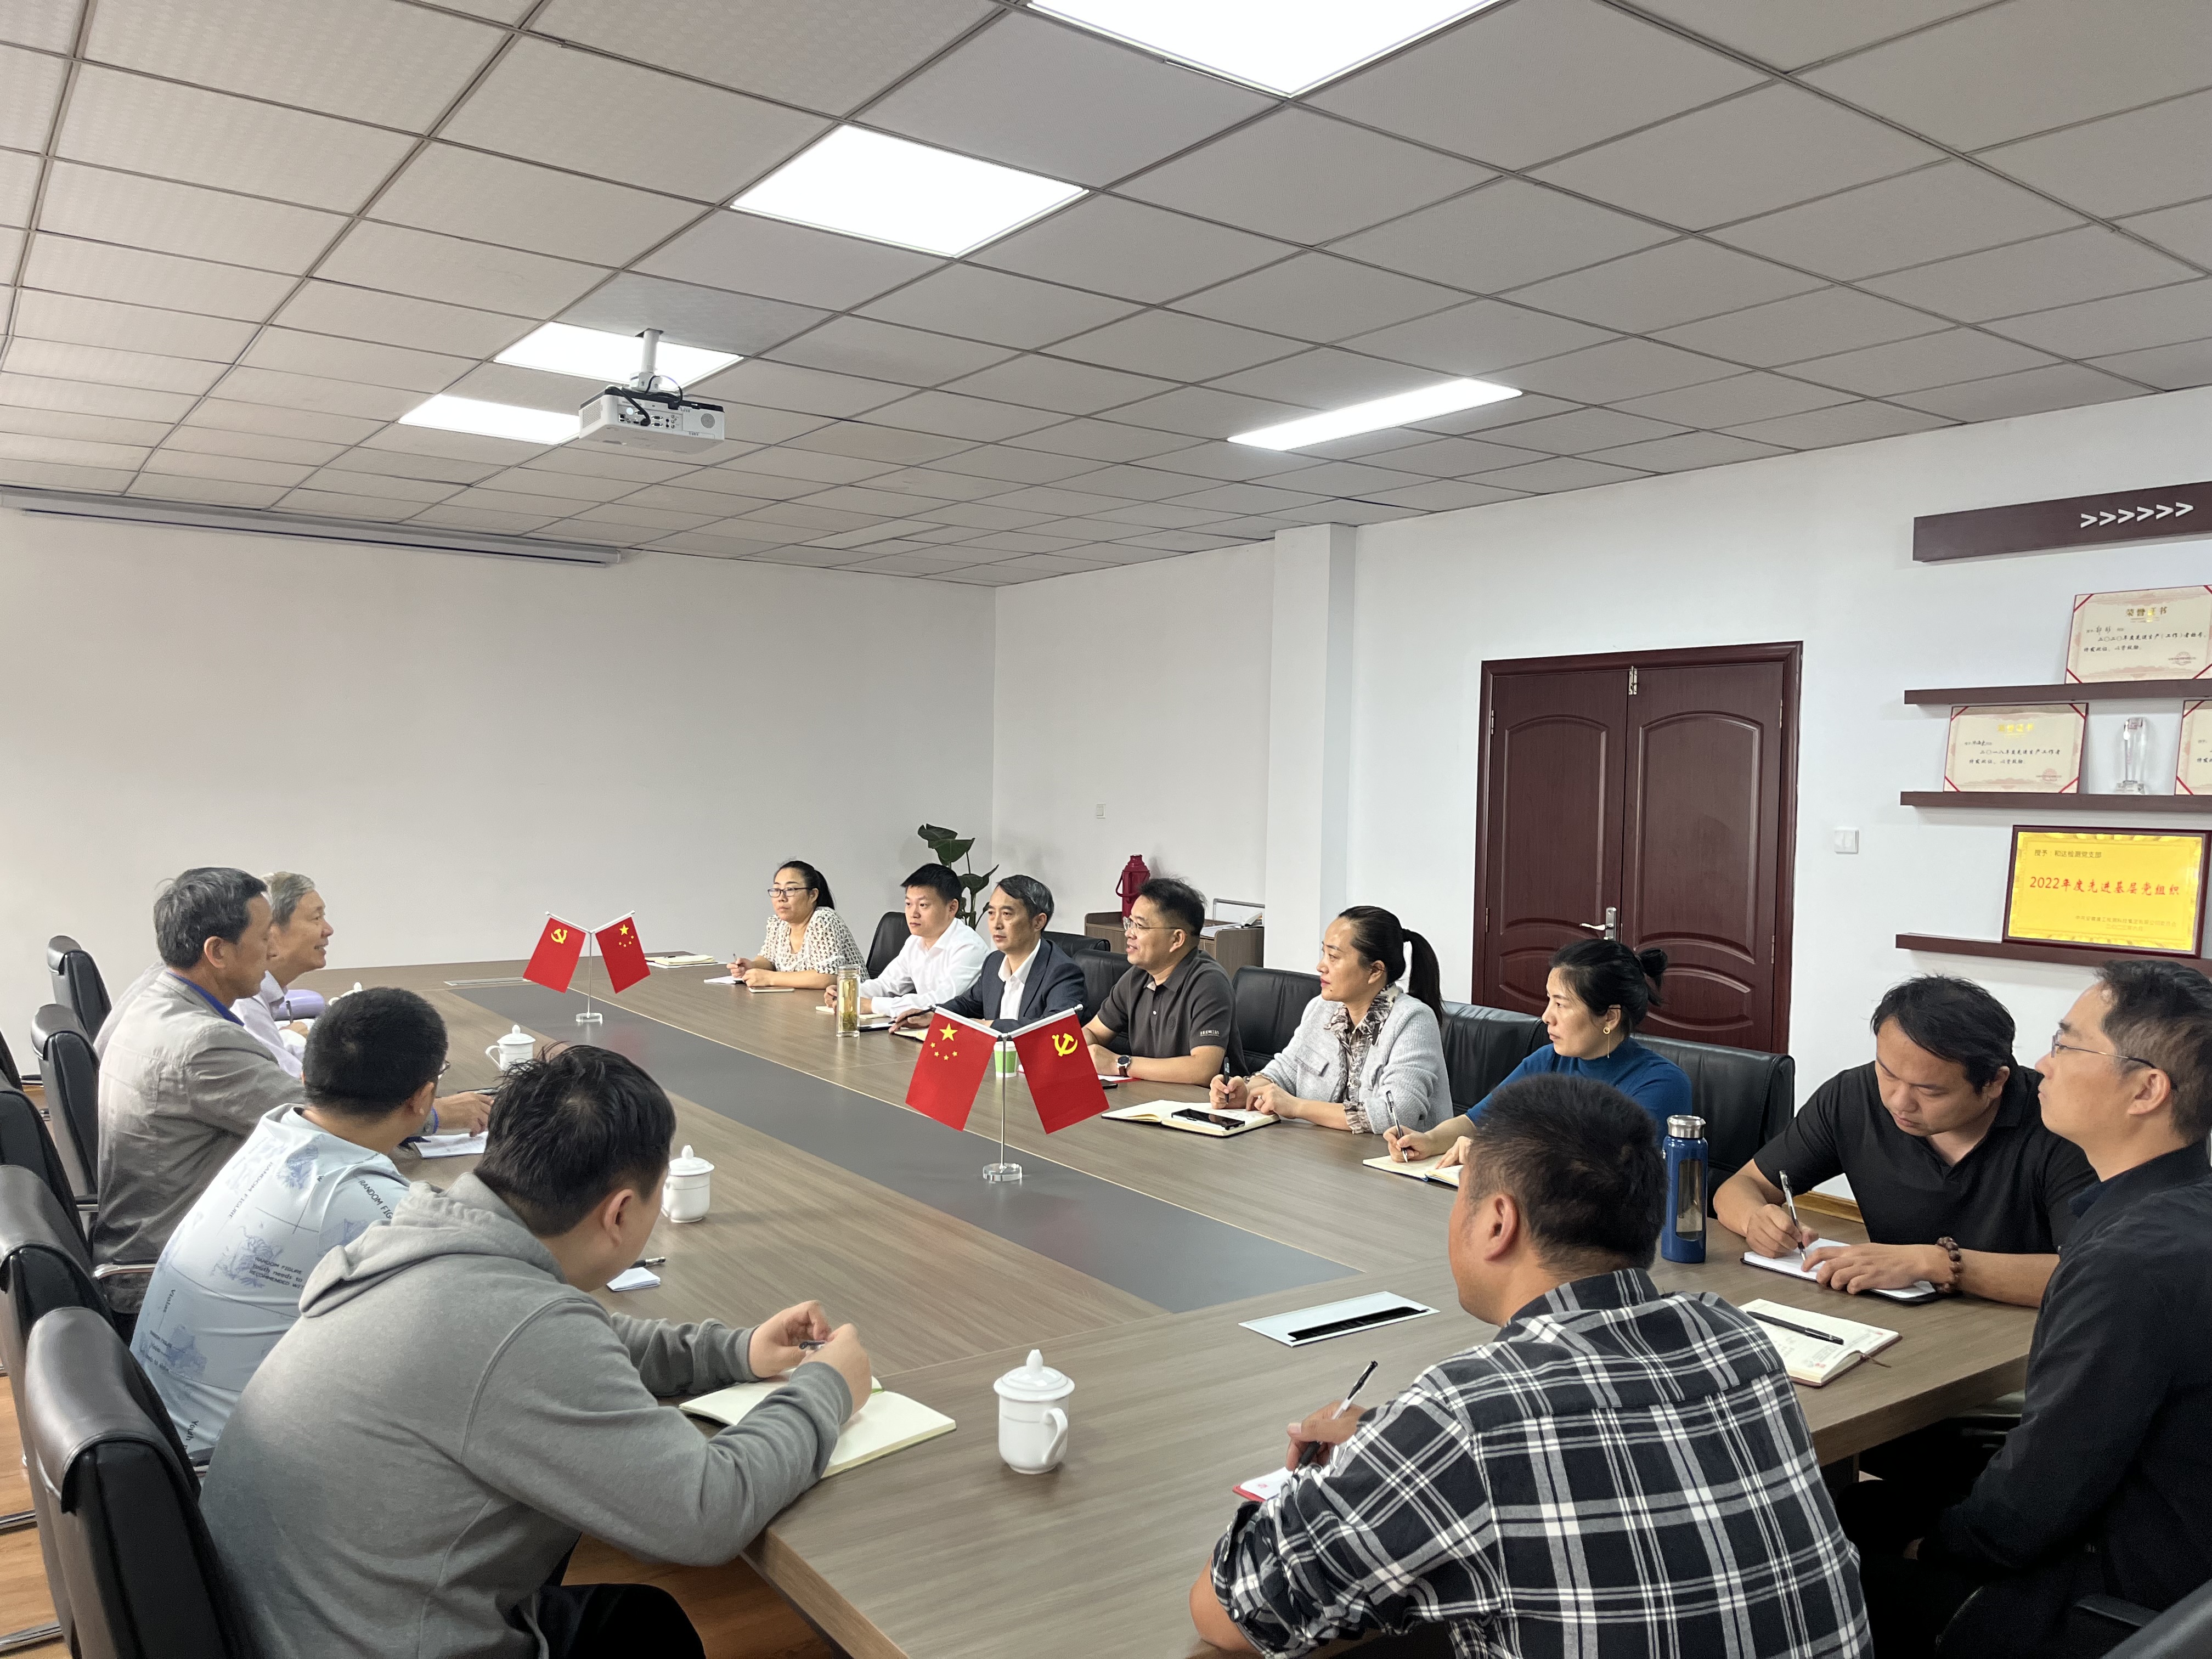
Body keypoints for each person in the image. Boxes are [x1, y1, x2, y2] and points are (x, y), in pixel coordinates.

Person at [202, 1045, 872, 1659]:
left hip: (284, 1622)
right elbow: (707, 1511)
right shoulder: (517, 1326)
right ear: (620, 1213)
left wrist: (736, 1350)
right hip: (369, 1638)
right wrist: (825, 1390)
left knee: (640, 1621)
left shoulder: (421, 1237)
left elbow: (576, 1340)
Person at [1192, 1073, 1869, 1657]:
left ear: (1497, 1222)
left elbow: (1229, 1611)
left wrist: (1357, 1468)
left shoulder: (1463, 1419)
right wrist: (1395, 1450)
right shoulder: (1736, 1339)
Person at [1846, 961, 2212, 1658]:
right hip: (2164, 1543)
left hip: (2124, 1597)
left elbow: (2039, 1497)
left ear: (2147, 1090)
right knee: (1866, 1503)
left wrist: (1936, 1549)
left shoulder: (2131, 1260)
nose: (2042, 1065)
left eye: (2066, 1045)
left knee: (1811, 1553)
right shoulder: (2178, 1209)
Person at [130, 986, 442, 1458]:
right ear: (422, 1100)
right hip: (220, 1466)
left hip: (152, 1427)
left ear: (304, 1075)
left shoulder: (274, 1133)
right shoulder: (370, 1205)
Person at [1713, 976, 2094, 1307]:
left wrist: (1936, 1264)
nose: (1899, 1101)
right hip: (1894, 1312)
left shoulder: (2060, 1123)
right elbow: (1741, 1186)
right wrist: (1755, 1221)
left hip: (2025, 1328)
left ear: (1994, 1082)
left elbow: (2092, 1274)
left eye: (1929, 1090)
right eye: (1888, 1073)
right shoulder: (1853, 1097)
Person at [92, 868, 300, 1307]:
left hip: (150, 1245)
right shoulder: (204, 1043)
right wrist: (430, 1113)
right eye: (265, 937)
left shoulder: (152, 1001)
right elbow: (326, 1123)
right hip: (169, 1281)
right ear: (217, 951)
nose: (273, 951)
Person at [1386, 938, 1689, 1169]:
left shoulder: (1661, 1083)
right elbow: (1476, 1122)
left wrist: (1498, 1151)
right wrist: (1428, 1141)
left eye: (1561, 1004)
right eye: (1549, 1001)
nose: (1546, 1017)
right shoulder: (1548, 1060)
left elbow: (1611, 1172)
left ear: (1610, 1017)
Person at [1210, 906, 1449, 1135]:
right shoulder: (1322, 1008)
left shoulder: (1413, 1020)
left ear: (1375, 971)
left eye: (1333, 957)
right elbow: (1287, 1070)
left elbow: (1397, 1113)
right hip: (1324, 1153)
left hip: (1390, 1159)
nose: (1321, 966)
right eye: (1324, 953)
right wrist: (1249, 1089)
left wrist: (1297, 1107)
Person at [1085, 876, 1237, 1086]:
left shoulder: (1209, 982)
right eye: (1130, 922)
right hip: (1145, 1095)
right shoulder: (1137, 976)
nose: (1129, 933)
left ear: (1177, 939)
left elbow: (1203, 1069)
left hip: (1198, 1102)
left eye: (1140, 926)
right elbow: (1093, 1032)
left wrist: (1118, 1064)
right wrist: (1078, 1048)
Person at [928, 873, 1087, 1029]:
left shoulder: (1063, 973)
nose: (996, 924)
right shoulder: (994, 962)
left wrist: (989, 1026)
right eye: (991, 913)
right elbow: (968, 1004)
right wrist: (934, 1015)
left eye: (1007, 914)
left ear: (1038, 922)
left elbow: (1056, 1028)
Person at [827, 863, 985, 1020]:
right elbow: (887, 984)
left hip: (955, 1031)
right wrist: (848, 992)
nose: (913, 913)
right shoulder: (915, 942)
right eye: (909, 904)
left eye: (923, 905)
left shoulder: (969, 947)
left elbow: (941, 1002)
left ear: (952, 908)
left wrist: (872, 1005)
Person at [229, 870, 332, 1079]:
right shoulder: (244, 1000)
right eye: (316, 918)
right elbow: (286, 1084)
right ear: (271, 932)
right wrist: (293, 1039)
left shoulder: (259, 995)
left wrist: (285, 1037)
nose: (328, 930)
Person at [729, 860, 862, 990]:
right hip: (800, 1001)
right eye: (777, 890)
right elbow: (768, 960)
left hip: (853, 1000)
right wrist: (752, 967)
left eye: (790, 889)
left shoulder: (824, 920)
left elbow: (828, 977)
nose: (781, 898)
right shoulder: (777, 924)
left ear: (813, 895)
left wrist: (769, 978)